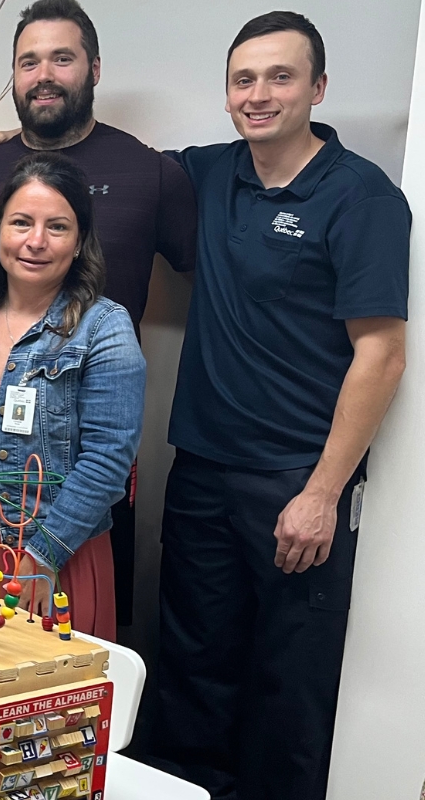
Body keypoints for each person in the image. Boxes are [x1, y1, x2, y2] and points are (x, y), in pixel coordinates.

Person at [146, 13, 408, 800]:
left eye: (280, 77)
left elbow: (382, 352)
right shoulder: (207, 172)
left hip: (295, 479)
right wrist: (4, 148)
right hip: (200, 468)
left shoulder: (360, 196)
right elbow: (109, 172)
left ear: (317, 88)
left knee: (287, 682)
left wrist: (323, 493)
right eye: (243, 79)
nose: (258, 95)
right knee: (192, 663)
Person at [0, 0, 197, 627]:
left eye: (63, 57)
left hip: (66, 519)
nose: (45, 74)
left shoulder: (148, 171)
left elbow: (211, 278)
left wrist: (44, 549)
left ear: (93, 68)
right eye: (28, 61)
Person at [0, 151, 145, 639]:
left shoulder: (105, 328)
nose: (35, 241)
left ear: (79, 242)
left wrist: (44, 554)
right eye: (21, 223)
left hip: (55, 555)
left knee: (35, 705)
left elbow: (108, 460)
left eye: (57, 227)